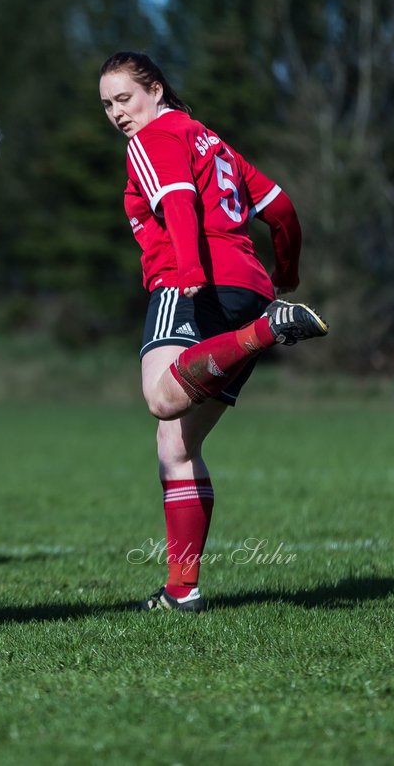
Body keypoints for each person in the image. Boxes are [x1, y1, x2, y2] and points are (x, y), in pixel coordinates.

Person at [98, 51, 329, 613]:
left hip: (192, 282)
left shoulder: (153, 137)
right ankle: (182, 591)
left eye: (123, 98)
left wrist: (193, 273)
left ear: (154, 89)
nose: (116, 113)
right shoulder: (212, 140)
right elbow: (281, 209)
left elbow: (176, 201)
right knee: (178, 447)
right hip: (251, 289)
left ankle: (267, 332)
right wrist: (287, 272)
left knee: (160, 399)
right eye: (106, 105)